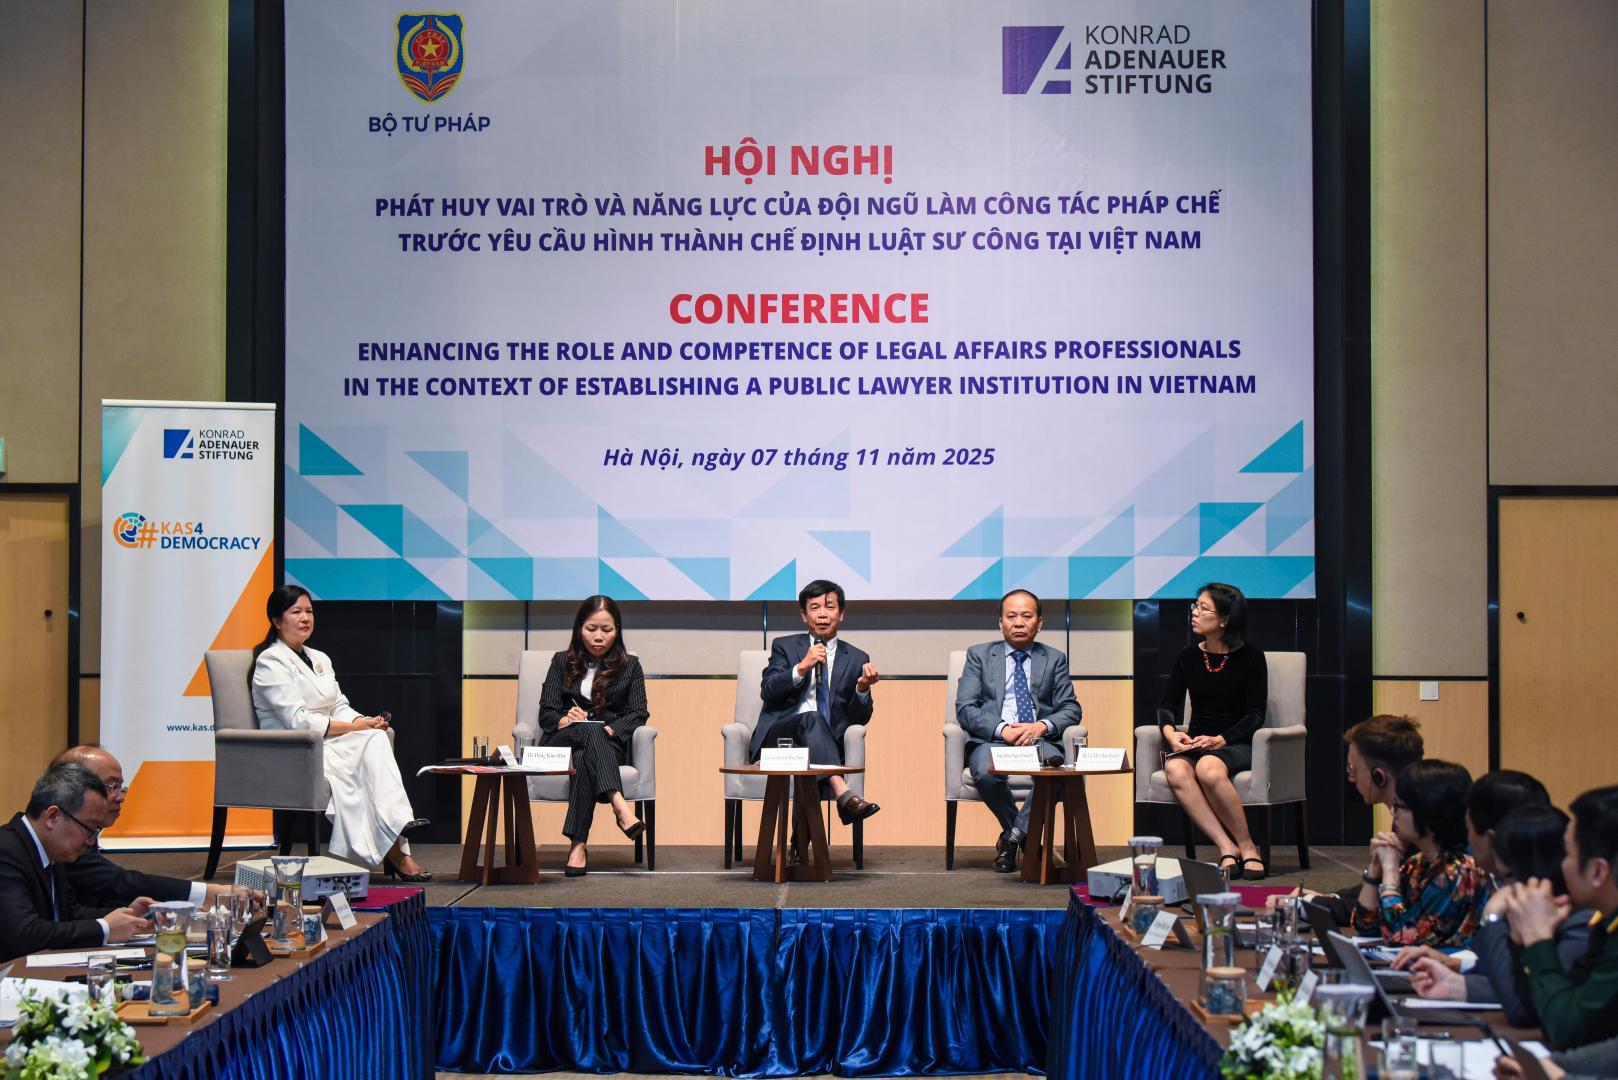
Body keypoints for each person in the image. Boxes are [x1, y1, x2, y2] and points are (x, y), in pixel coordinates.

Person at [250, 584, 431, 880]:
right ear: (277, 620)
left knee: (376, 736)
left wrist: (365, 721)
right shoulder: (270, 661)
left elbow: (338, 706)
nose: (305, 618)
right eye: (296, 612)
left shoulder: (319, 658)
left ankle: (397, 822)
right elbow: (298, 720)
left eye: (309, 611)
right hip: (294, 750)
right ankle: (397, 841)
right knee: (361, 757)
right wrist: (352, 728)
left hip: (327, 741)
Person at [1407, 804, 1592, 1027]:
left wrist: (1492, 919)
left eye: (1507, 877)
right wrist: (1457, 985)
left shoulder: (1582, 924)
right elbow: (1519, 987)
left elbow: (1523, 1006)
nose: (1504, 889)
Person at [954, 589, 1083, 872]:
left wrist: (1041, 726)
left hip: (1039, 741)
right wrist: (1002, 730)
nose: (1019, 623)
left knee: (1057, 775)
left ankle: (1010, 839)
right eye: (1011, 616)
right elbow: (965, 708)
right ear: (1000, 623)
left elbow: (1071, 708)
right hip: (994, 740)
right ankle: (1025, 839)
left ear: (1040, 623)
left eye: (1027, 616)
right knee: (985, 772)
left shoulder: (1054, 659)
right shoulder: (979, 655)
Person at [1393, 769, 1555, 975]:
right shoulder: (1508, 879)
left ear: (1491, 839)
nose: (1467, 841)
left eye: (1469, 829)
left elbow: (1515, 979)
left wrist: (1492, 917)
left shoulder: (1536, 897)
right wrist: (1457, 964)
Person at [1158, 582, 1270, 879]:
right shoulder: (1188, 656)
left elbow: (1256, 714)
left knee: (1208, 767)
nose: (1194, 613)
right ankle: (1226, 847)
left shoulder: (1252, 658)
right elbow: (1167, 705)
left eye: (1203, 608)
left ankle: (1248, 847)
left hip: (1235, 742)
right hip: (1198, 741)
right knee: (1175, 768)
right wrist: (1171, 734)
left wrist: (1222, 739)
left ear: (1224, 619)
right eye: (1195, 606)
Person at [535, 595, 649, 877]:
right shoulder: (561, 662)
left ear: (617, 630)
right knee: (587, 733)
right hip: (563, 742)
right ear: (579, 629)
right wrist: (565, 719)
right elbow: (546, 713)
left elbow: (638, 712)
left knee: (586, 752)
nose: (599, 637)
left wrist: (612, 729)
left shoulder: (631, 666)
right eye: (591, 629)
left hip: (607, 744)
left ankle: (578, 845)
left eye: (607, 630)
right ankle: (620, 806)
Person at [751, 579, 881, 825]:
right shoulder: (785, 646)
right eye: (814, 607)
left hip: (825, 745)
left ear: (841, 613)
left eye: (829, 607)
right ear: (804, 615)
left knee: (814, 750)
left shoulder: (856, 658)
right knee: (812, 718)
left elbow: (859, 719)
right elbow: (768, 691)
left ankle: (798, 844)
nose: (822, 614)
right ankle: (843, 793)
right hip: (781, 739)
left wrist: (862, 688)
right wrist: (801, 667)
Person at [1500, 784, 1618, 1051]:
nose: (1562, 865)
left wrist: (1538, 939)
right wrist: (1523, 939)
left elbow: (1568, 1030)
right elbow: (1538, 1013)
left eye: (1567, 854)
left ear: (1597, 871)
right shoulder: (1603, 923)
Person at [1271, 713, 1425, 915]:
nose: (1351, 777)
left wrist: (1307, 905)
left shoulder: (1419, 824)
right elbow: (1377, 889)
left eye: (1353, 768)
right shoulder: (1409, 812)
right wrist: (1330, 898)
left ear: (1379, 776)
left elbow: (1386, 908)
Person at [0, 764, 154, 962]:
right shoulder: (6, 851)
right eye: (89, 828)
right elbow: (25, 934)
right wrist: (104, 928)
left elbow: (68, 913)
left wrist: (128, 915)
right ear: (53, 816)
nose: (90, 841)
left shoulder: (52, 847)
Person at [51, 745, 231, 909]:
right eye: (111, 785)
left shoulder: (82, 829)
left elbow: (95, 896)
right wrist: (207, 894)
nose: (120, 797)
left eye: (120, 787)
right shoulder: (61, 836)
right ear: (71, 786)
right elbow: (117, 882)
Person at [1352, 758, 1489, 947]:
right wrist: (1375, 870)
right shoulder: (1418, 863)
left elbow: (1399, 937)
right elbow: (1364, 925)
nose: (1393, 812)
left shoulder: (1458, 870)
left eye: (1399, 806)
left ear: (1428, 811)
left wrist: (1390, 870)